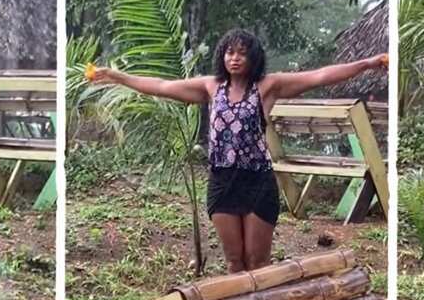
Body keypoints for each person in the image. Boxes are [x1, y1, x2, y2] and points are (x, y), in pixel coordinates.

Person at [92, 28, 386, 273]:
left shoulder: (268, 86)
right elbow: (161, 85)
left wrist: (369, 63)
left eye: (242, 53)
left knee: (258, 262)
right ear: (223, 56)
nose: (234, 58)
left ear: (252, 58)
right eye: (230, 52)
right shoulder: (211, 87)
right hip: (222, 182)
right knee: (235, 262)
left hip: (257, 182)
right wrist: (117, 76)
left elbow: (320, 75)